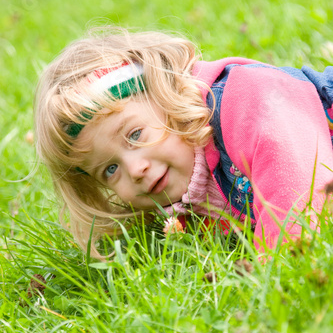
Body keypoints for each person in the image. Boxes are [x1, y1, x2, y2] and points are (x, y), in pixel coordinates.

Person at [34, 26, 333, 258]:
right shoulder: (183, 197)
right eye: (110, 169)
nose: (135, 169)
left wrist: (278, 266)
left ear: (167, 95)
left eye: (135, 135)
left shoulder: (244, 99)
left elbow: (300, 187)